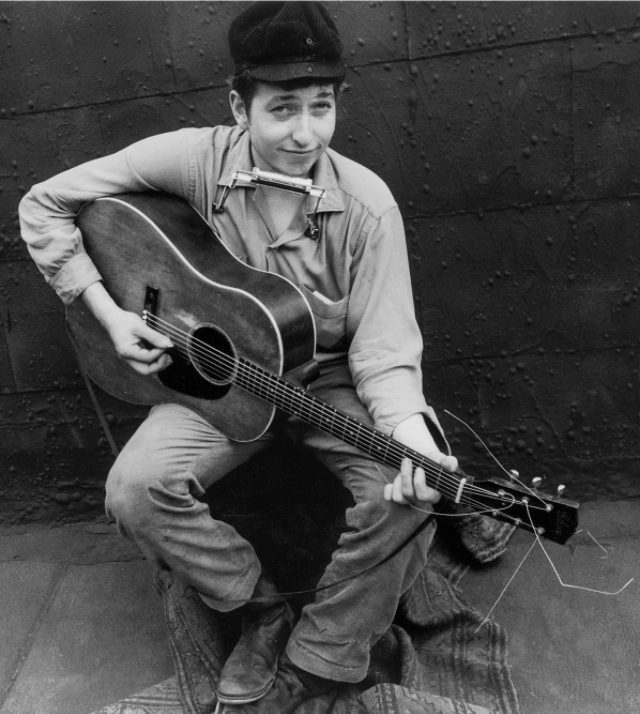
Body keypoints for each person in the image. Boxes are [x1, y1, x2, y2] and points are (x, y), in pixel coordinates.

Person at [19, 2, 458, 711]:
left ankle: (320, 657)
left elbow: (385, 353)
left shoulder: (367, 207)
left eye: (321, 107)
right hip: (219, 386)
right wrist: (110, 313)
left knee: (407, 492)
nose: (304, 132)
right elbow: (45, 204)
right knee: (133, 491)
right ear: (238, 106)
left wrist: (413, 437)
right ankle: (259, 609)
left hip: (326, 381)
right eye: (282, 109)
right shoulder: (196, 160)